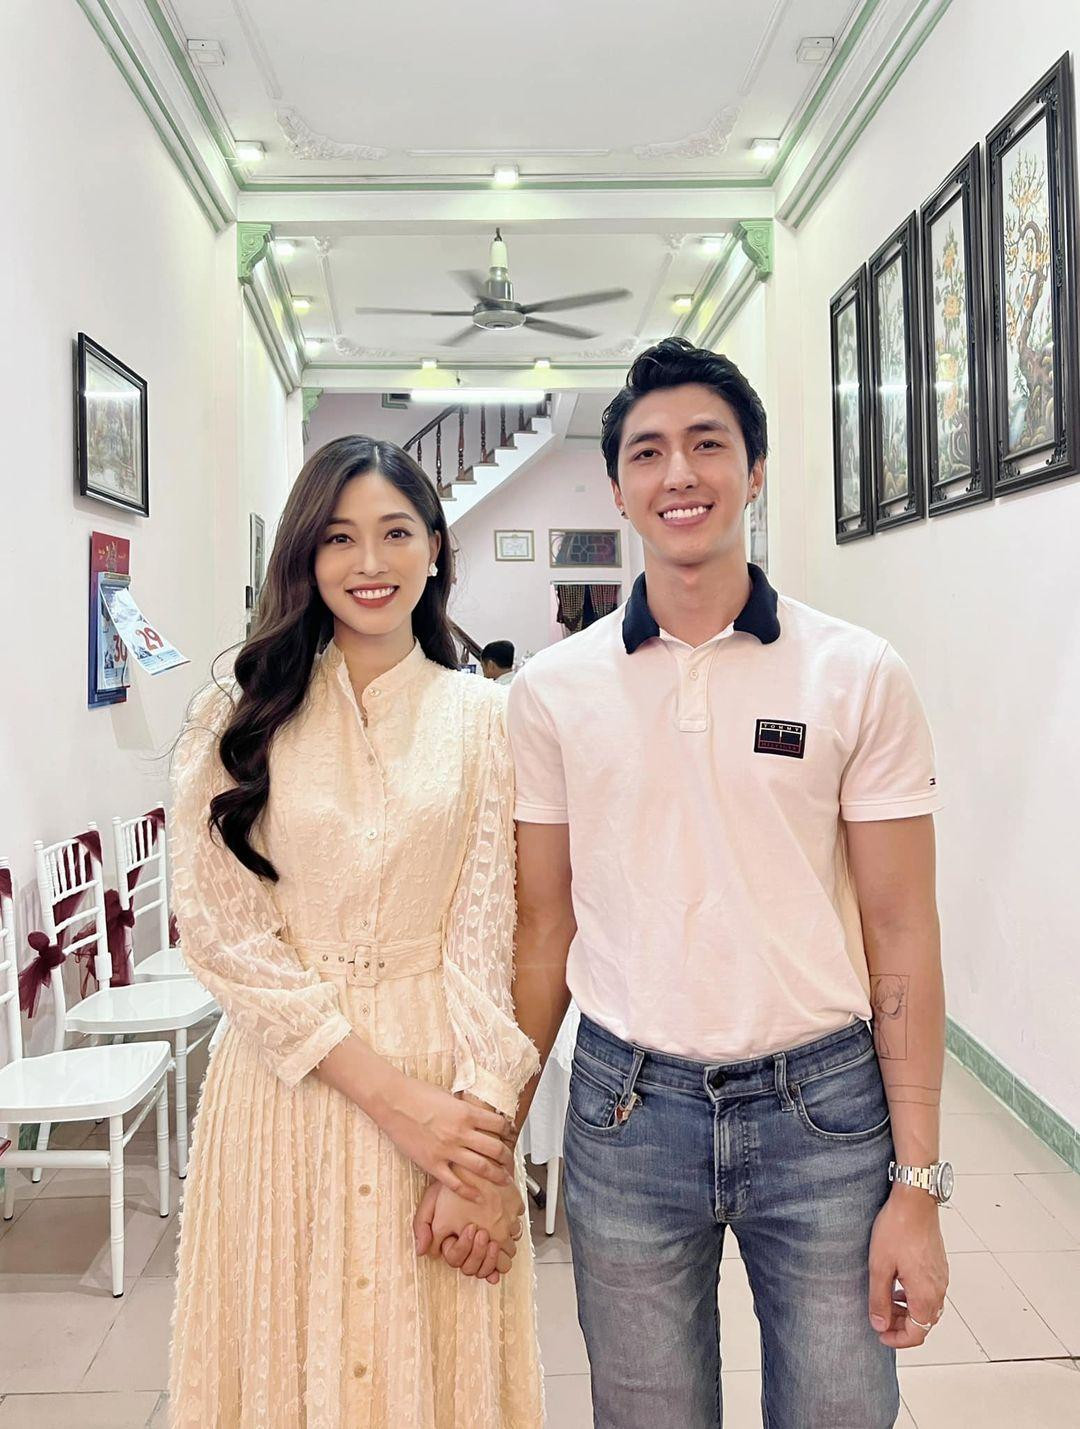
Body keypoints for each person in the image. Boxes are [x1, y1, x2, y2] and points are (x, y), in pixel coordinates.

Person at [505, 338, 951, 1429]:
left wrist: (920, 1185)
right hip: (625, 1107)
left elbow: (900, 928)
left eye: (708, 444)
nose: (679, 473)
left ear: (755, 472)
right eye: (647, 452)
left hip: (824, 1108)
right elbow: (541, 928)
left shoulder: (855, 672)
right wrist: (496, 1133)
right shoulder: (553, 691)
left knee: (842, 1410)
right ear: (618, 489)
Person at [168, 436, 543, 1429]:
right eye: (339, 537)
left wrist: (477, 1145)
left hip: (447, 1082)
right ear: (305, 553)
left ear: (435, 547)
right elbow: (220, 931)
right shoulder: (235, 717)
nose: (369, 563)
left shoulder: (487, 718)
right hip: (288, 1086)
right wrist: (396, 1101)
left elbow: (490, 935)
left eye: (395, 533)